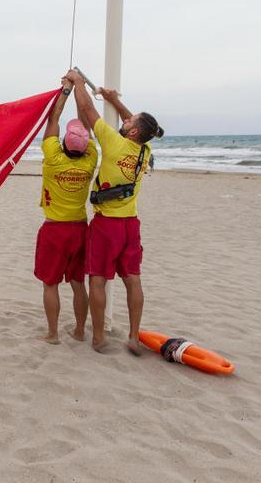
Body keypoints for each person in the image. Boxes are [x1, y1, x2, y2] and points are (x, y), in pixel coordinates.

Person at [65, 69, 163, 353]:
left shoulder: (113, 142)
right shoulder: (143, 152)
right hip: (130, 225)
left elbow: (86, 108)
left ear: (132, 131)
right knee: (133, 279)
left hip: (106, 224)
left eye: (129, 120)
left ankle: (98, 337)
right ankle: (133, 336)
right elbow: (139, 127)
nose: (126, 118)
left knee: (98, 279)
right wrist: (116, 101)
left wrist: (79, 82)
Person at [35, 77, 99, 344]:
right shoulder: (90, 159)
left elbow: (55, 116)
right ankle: (80, 330)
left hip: (54, 229)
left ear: (63, 142)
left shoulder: (53, 156)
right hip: (79, 228)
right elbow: (86, 118)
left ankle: (52, 333)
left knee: (50, 283)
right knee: (77, 284)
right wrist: (80, 87)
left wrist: (67, 87)